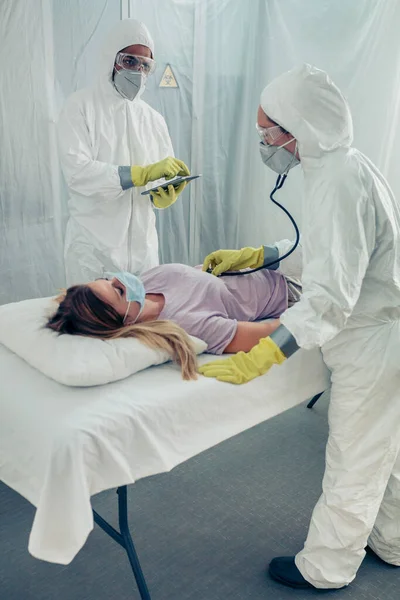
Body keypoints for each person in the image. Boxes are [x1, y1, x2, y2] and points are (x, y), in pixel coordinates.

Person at [200, 64, 400, 590]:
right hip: (381, 331)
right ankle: (394, 540)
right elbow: (326, 252)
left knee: (354, 456)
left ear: (300, 128)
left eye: (269, 132)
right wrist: (260, 255)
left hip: (371, 340)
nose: (265, 143)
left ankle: (326, 568)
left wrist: (268, 351)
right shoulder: (342, 165)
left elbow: (331, 297)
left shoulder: (335, 179)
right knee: (385, 448)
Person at [58, 18, 190, 286]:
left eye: (145, 65)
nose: (137, 71)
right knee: (92, 326)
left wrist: (164, 192)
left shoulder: (153, 119)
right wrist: (138, 174)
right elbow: (77, 172)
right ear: (111, 58)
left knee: (142, 326)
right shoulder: (81, 106)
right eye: (129, 61)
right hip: (93, 253)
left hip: (143, 253)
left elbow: (158, 181)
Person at [46, 260, 302, 378]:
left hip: (275, 263)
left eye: (107, 280)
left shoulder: (148, 281)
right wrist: (311, 315)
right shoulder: (187, 323)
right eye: (119, 291)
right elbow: (268, 333)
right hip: (293, 290)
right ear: (125, 321)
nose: (120, 279)